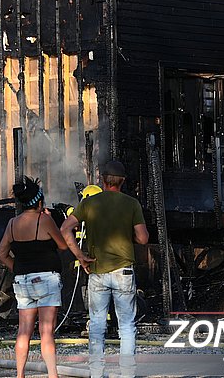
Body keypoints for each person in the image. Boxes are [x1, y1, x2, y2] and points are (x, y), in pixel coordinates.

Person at [60, 160, 149, 376]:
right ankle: (127, 373)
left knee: (97, 326)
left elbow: (65, 228)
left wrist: (80, 256)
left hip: (97, 272)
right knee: (126, 326)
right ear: (123, 181)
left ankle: (96, 372)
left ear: (102, 180)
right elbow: (144, 238)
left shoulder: (89, 204)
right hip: (124, 272)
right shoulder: (132, 204)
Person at [0, 176, 68, 378]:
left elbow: (2, 253)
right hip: (46, 279)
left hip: (23, 282)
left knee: (23, 331)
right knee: (46, 332)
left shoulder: (12, 224)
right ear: (39, 201)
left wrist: (17, 267)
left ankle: (20, 375)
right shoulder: (44, 219)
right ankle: (52, 375)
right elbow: (62, 245)